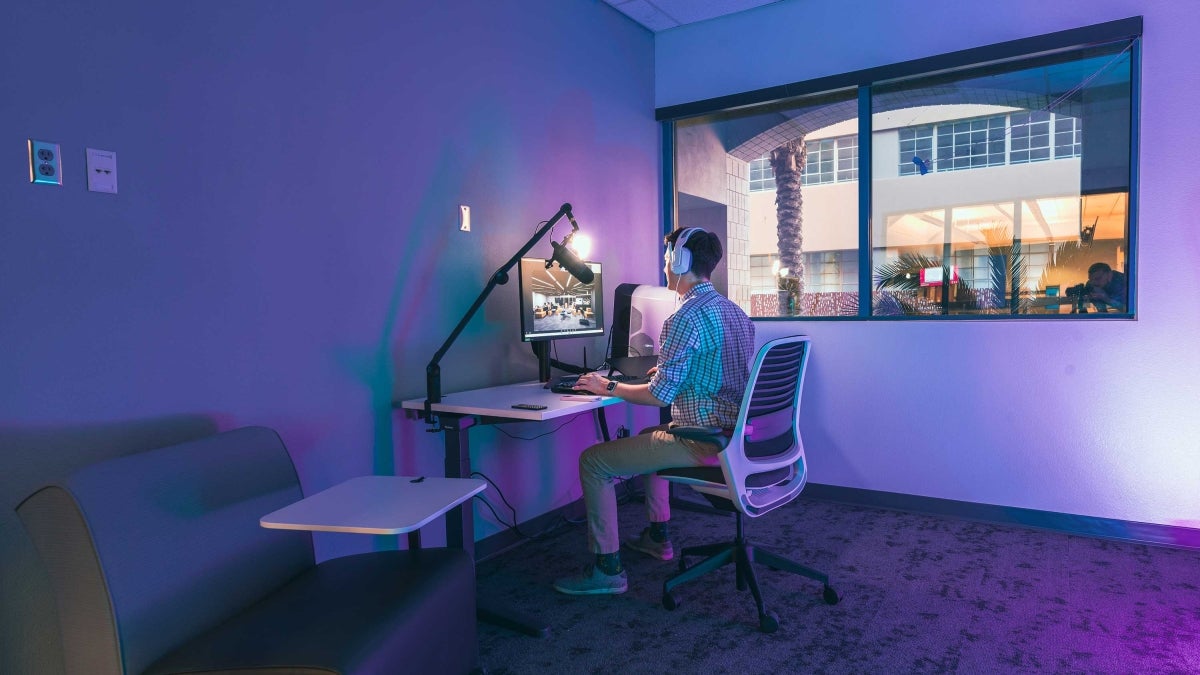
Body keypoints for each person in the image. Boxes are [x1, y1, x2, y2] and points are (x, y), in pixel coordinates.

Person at [552, 227, 755, 595]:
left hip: (701, 441)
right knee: (649, 438)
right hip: (732, 436)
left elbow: (660, 397)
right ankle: (657, 536)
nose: (664, 266)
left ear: (681, 261)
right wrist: (668, 372)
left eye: (667, 258)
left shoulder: (684, 318)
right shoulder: (736, 313)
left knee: (593, 462)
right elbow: (719, 372)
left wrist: (606, 385)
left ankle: (607, 570)